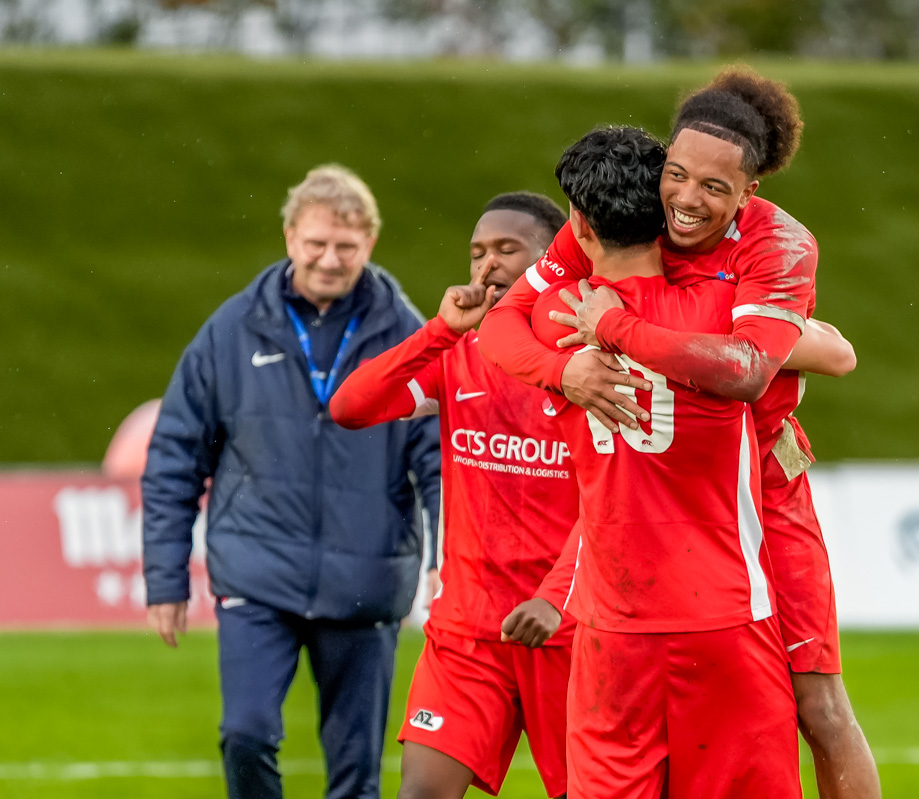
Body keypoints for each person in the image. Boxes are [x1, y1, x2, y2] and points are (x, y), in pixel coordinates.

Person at [478, 68, 881, 799]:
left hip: (763, 486)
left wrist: (615, 327)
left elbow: (761, 364)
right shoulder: (628, 213)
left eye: (714, 187)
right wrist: (563, 372)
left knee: (818, 704)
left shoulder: (779, 244)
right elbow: (500, 322)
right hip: (676, 497)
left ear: (749, 193)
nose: (687, 199)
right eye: (678, 173)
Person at [141, 164, 442, 799]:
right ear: (289, 237)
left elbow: (442, 463)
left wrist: (450, 560)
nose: (330, 259)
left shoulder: (409, 335)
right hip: (257, 578)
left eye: (346, 246)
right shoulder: (231, 330)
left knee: (355, 778)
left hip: (365, 584)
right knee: (245, 736)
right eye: (317, 243)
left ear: (370, 242)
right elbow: (175, 457)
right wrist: (165, 578)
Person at [525, 125, 803, 799]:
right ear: (664, 211)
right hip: (724, 615)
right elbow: (820, 353)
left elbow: (498, 331)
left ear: (578, 223)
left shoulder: (555, 317)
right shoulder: (723, 312)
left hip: (613, 625)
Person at [329, 192, 577, 799]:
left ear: (552, 258)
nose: (487, 264)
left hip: (567, 632)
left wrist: (555, 599)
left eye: (506, 249)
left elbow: (613, 505)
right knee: (421, 794)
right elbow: (350, 407)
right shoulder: (459, 355)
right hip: (467, 631)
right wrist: (439, 332)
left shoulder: (586, 364)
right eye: (476, 252)